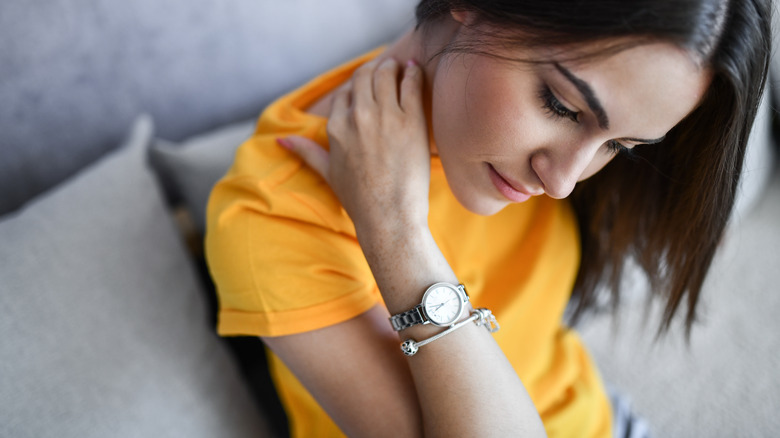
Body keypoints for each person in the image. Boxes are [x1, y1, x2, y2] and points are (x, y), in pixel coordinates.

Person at [205, 1, 771, 437]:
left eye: (618, 146)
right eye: (560, 105)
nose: (563, 181)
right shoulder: (272, 216)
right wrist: (396, 233)